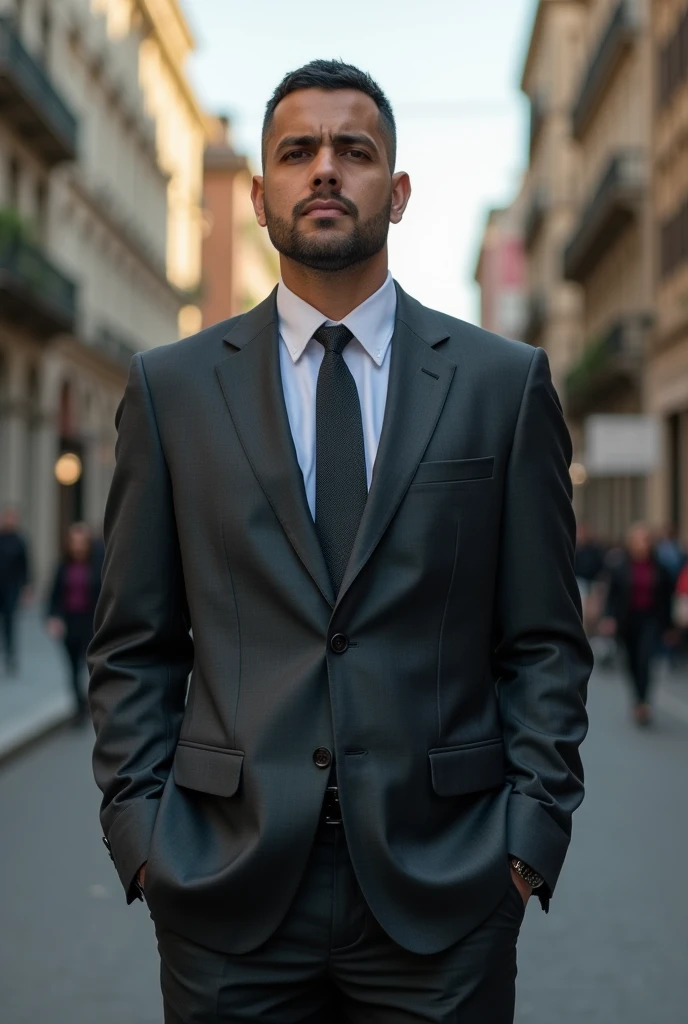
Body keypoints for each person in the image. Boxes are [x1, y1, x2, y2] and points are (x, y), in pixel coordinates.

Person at [88, 60, 592, 1024]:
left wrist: (527, 842)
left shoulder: (502, 383)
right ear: (260, 193)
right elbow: (133, 643)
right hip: (223, 886)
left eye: (353, 151)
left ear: (396, 193)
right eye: (298, 152)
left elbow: (545, 643)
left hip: (447, 888)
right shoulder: (172, 390)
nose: (325, 170)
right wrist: (143, 837)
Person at [599, 522, 674, 726]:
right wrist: (608, 617)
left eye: (646, 540)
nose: (642, 544)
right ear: (631, 543)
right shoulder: (620, 565)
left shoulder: (660, 568)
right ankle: (637, 698)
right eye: (638, 540)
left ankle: (643, 703)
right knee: (631, 662)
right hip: (627, 619)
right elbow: (612, 595)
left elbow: (667, 598)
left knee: (644, 659)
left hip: (650, 619)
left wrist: (669, 626)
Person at [47, 522, 100, 720]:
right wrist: (53, 618)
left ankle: (92, 702)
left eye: (82, 542)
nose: (78, 546)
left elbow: (104, 595)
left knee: (88, 662)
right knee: (71, 666)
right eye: (74, 542)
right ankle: (78, 705)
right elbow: (54, 595)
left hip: (89, 621)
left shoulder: (97, 566)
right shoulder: (62, 566)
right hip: (69, 621)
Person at [0, 506, 30, 676]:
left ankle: (10, 655)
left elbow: (25, 565)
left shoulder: (19, 540)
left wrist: (26, 587)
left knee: (10, 622)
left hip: (12, 587)